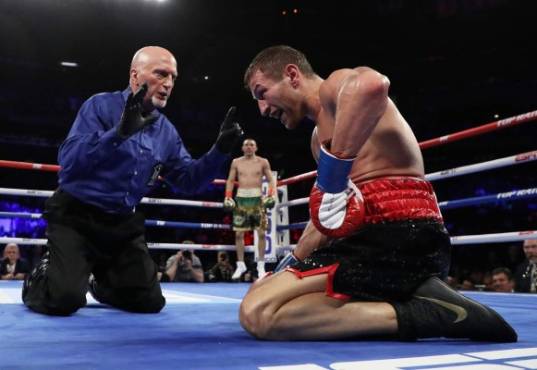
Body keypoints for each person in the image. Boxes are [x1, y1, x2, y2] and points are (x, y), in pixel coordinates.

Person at [238, 45, 517, 342]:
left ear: (292, 75)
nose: (262, 109)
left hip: (400, 235)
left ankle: (431, 315)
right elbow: (327, 217)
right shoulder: (318, 139)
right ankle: (427, 304)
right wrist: (288, 264)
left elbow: (373, 85)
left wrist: (334, 173)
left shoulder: (334, 89)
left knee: (258, 312)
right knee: (266, 305)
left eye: (261, 93)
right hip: (368, 245)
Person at [22, 46, 242, 316]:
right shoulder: (100, 105)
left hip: (122, 224)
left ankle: (100, 282)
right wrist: (118, 133)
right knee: (63, 299)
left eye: (173, 77)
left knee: (148, 302)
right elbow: (69, 162)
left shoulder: (166, 132)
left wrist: (219, 150)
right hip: (77, 217)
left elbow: (187, 181)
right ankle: (37, 280)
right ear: (135, 75)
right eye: (161, 74)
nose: (169, 84)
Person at [224, 138, 276, 280]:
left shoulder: (263, 162)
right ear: (242, 148)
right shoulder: (236, 162)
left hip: (257, 199)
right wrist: (228, 196)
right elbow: (230, 180)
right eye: (246, 145)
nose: (248, 147)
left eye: (251, 145)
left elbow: (271, 179)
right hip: (241, 199)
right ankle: (240, 265)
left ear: (256, 147)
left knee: (261, 234)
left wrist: (270, 195)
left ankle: (261, 266)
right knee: (239, 234)